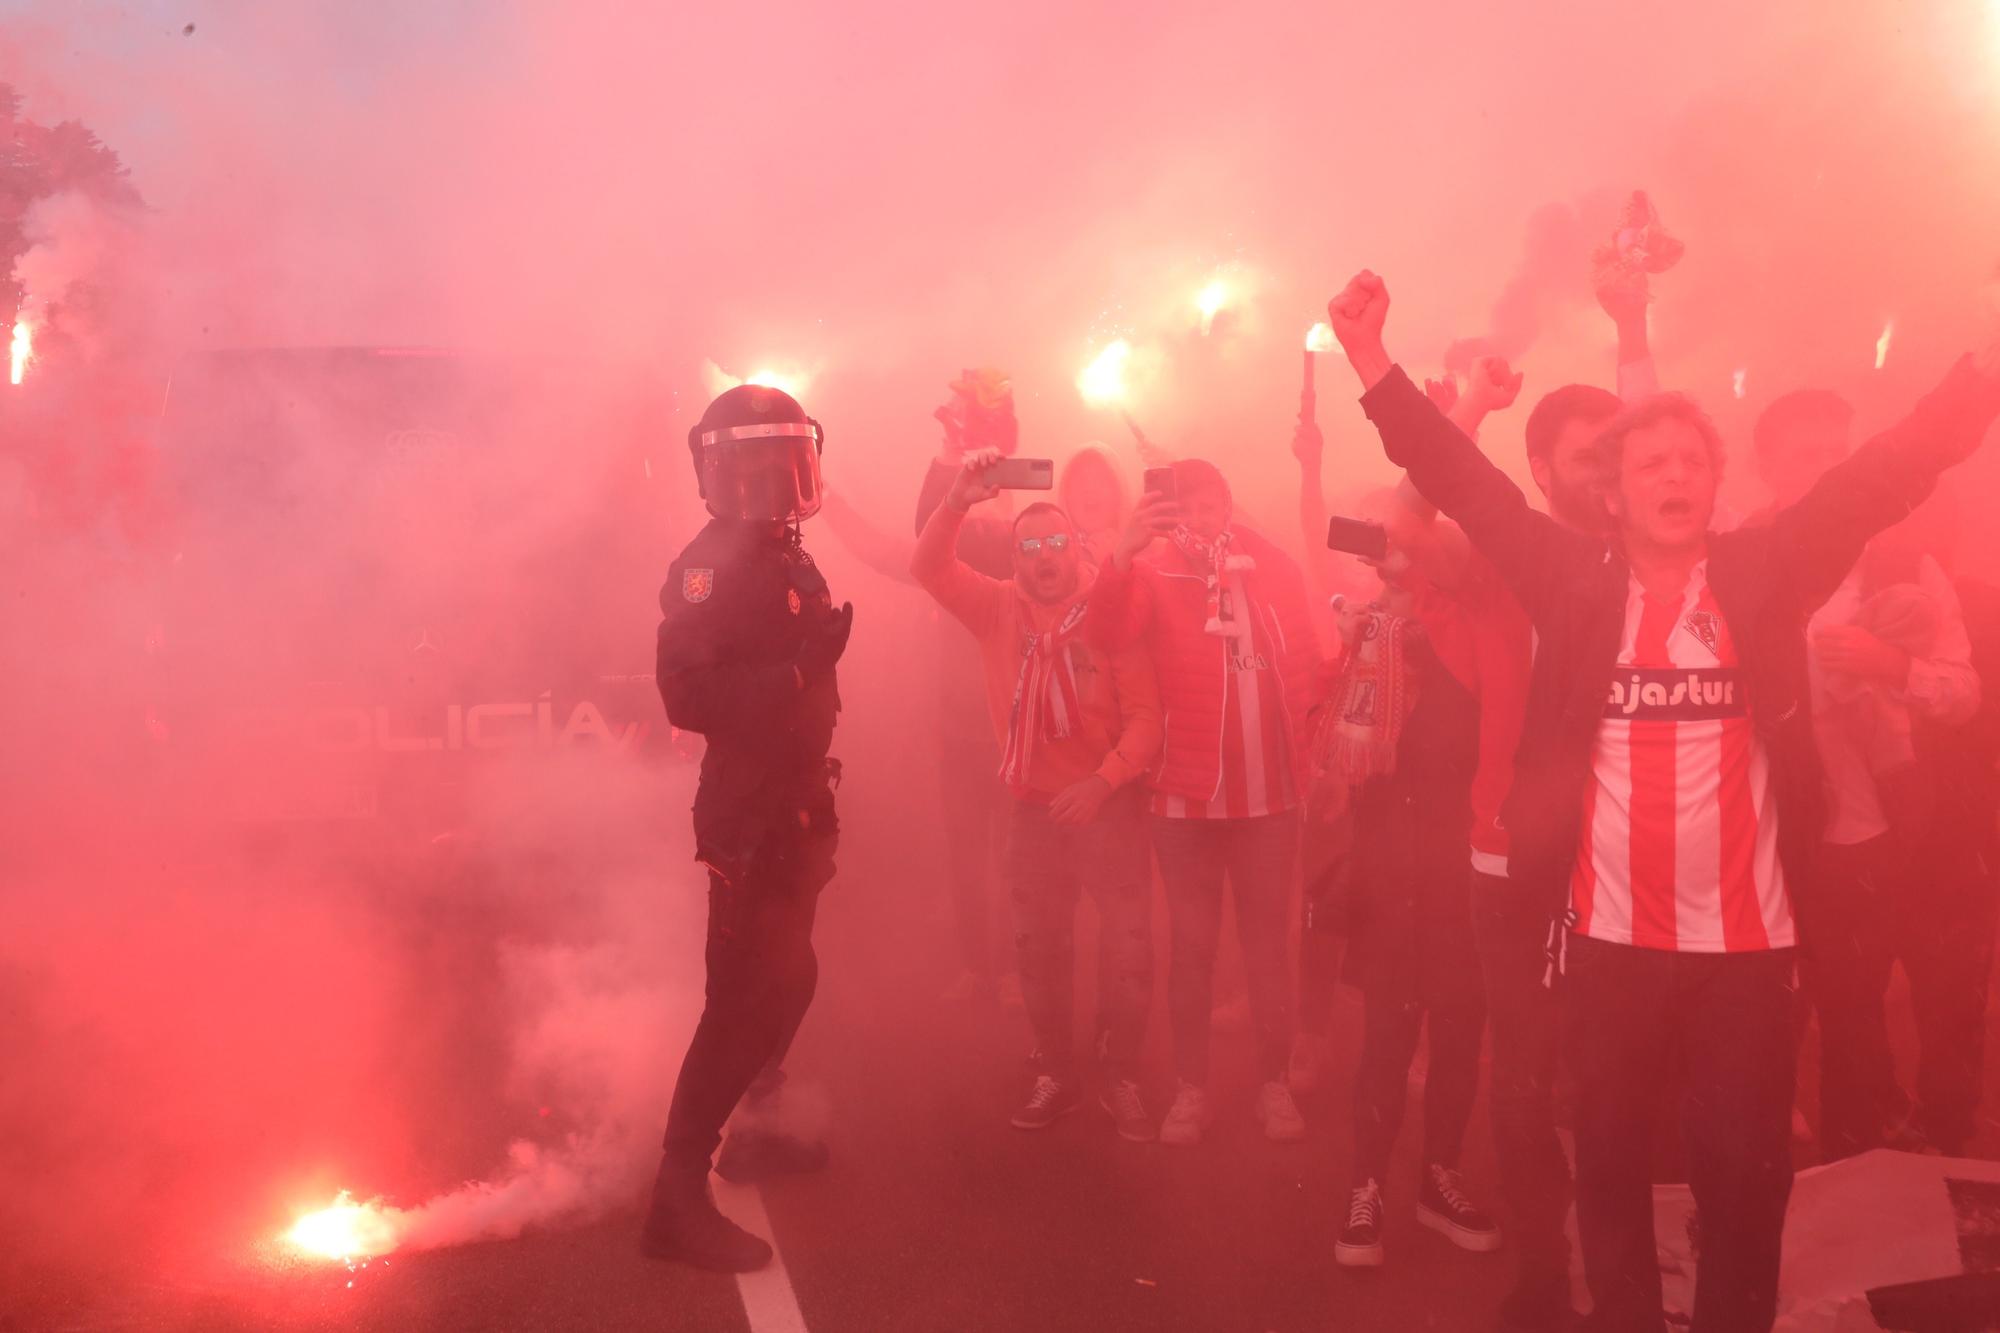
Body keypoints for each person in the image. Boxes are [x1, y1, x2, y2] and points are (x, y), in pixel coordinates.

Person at [1329, 268, 2000, 1333]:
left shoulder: (1764, 567)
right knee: (1606, 1175)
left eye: (1691, 459)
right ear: (1615, 492)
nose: (1673, 473)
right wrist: (1370, 363)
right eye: (1651, 462)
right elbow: (1463, 483)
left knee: (1746, 1182)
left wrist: (1973, 379)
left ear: (1710, 483)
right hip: (1607, 949)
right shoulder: (1571, 575)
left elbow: (1879, 478)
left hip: (1746, 955)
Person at [642, 384, 855, 1273]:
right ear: (719, 472)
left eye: (788, 459)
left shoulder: (785, 552)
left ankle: (758, 1130)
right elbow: (685, 696)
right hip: (748, 815)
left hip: (799, 805)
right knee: (737, 1006)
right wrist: (796, 673)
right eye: (757, 463)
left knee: (792, 978)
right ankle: (675, 1199)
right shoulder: (706, 565)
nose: (776, 479)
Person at [1754, 390, 1981, 1160]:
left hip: (1891, 833)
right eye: (1805, 454)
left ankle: (1906, 1179)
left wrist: (1894, 666)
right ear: (1766, 470)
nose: (1828, 469)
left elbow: (1963, 691)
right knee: (1803, 1009)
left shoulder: (1903, 560)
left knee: (1897, 1012)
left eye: (1837, 449)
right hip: (1778, 832)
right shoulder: (1741, 565)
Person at [913, 449, 1164, 1139]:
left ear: (1076, 552)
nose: (1045, 557)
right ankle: (1056, 1069)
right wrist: (958, 499)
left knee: (1128, 950)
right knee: (1038, 950)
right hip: (1031, 810)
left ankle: (1121, 1074)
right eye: (1031, 547)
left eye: (1056, 543)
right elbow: (927, 566)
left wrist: (1101, 781)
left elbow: (1147, 719)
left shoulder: (1108, 613)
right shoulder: (997, 608)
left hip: (1108, 807)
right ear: (1016, 559)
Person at [1089, 458, 1321, 1146]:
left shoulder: (1269, 563)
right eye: (1185, 503)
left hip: (1270, 796)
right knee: (1192, 949)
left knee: (1267, 951)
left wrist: (1318, 754)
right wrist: (1122, 553)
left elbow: (1304, 653)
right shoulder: (1153, 570)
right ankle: (1193, 1087)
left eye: (1212, 498)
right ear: (1166, 511)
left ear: (1229, 500)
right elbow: (1104, 637)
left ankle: (1273, 1084)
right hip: (1186, 800)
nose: (1201, 512)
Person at [1306, 519, 1499, 1269]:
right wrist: (1356, 652)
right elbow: (1336, 758)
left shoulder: (1479, 640)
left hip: (1466, 869)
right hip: (1391, 871)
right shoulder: (1374, 637)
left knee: (1458, 1035)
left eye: (1417, 569)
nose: (1402, 583)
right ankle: (1366, 1185)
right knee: (1387, 1036)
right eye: (1393, 571)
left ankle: (1438, 1175)